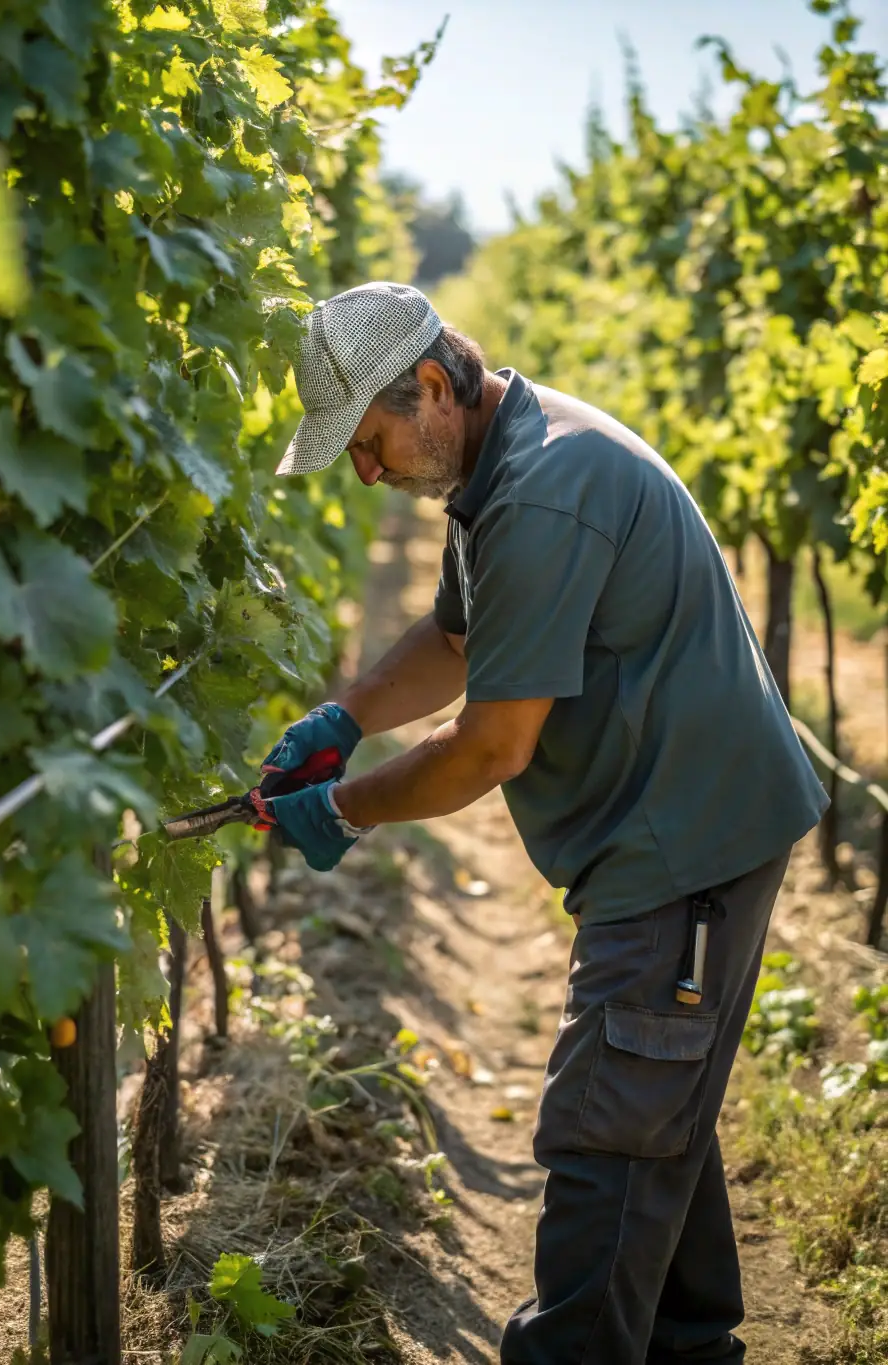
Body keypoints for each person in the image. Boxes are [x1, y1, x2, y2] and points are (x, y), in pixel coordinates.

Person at [258, 281, 828, 1365]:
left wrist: (338, 809)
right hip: (666, 824)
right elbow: (460, 636)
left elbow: (488, 746)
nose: (365, 472)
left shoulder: (539, 490)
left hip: (683, 847)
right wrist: (346, 717)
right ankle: (691, 1346)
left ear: (431, 385)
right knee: (653, 1118)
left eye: (368, 443)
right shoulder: (500, 460)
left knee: (606, 1133)